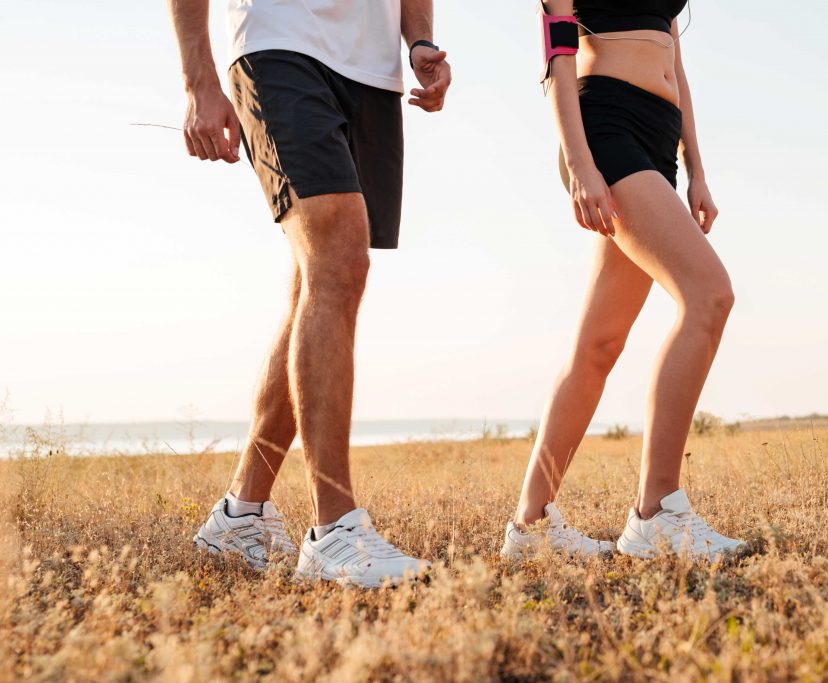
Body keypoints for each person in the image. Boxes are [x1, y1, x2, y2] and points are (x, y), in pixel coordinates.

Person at [166, 0, 451, 587]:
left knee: (318, 281)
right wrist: (199, 79)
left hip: (372, 74)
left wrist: (419, 41)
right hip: (279, 43)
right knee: (337, 260)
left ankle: (241, 513)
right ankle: (335, 529)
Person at [501, 0, 746, 561]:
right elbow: (558, 60)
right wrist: (580, 162)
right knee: (708, 295)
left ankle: (529, 527)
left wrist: (698, 171)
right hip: (604, 128)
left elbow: (675, 66)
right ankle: (656, 512)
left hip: (657, 140)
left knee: (599, 344)